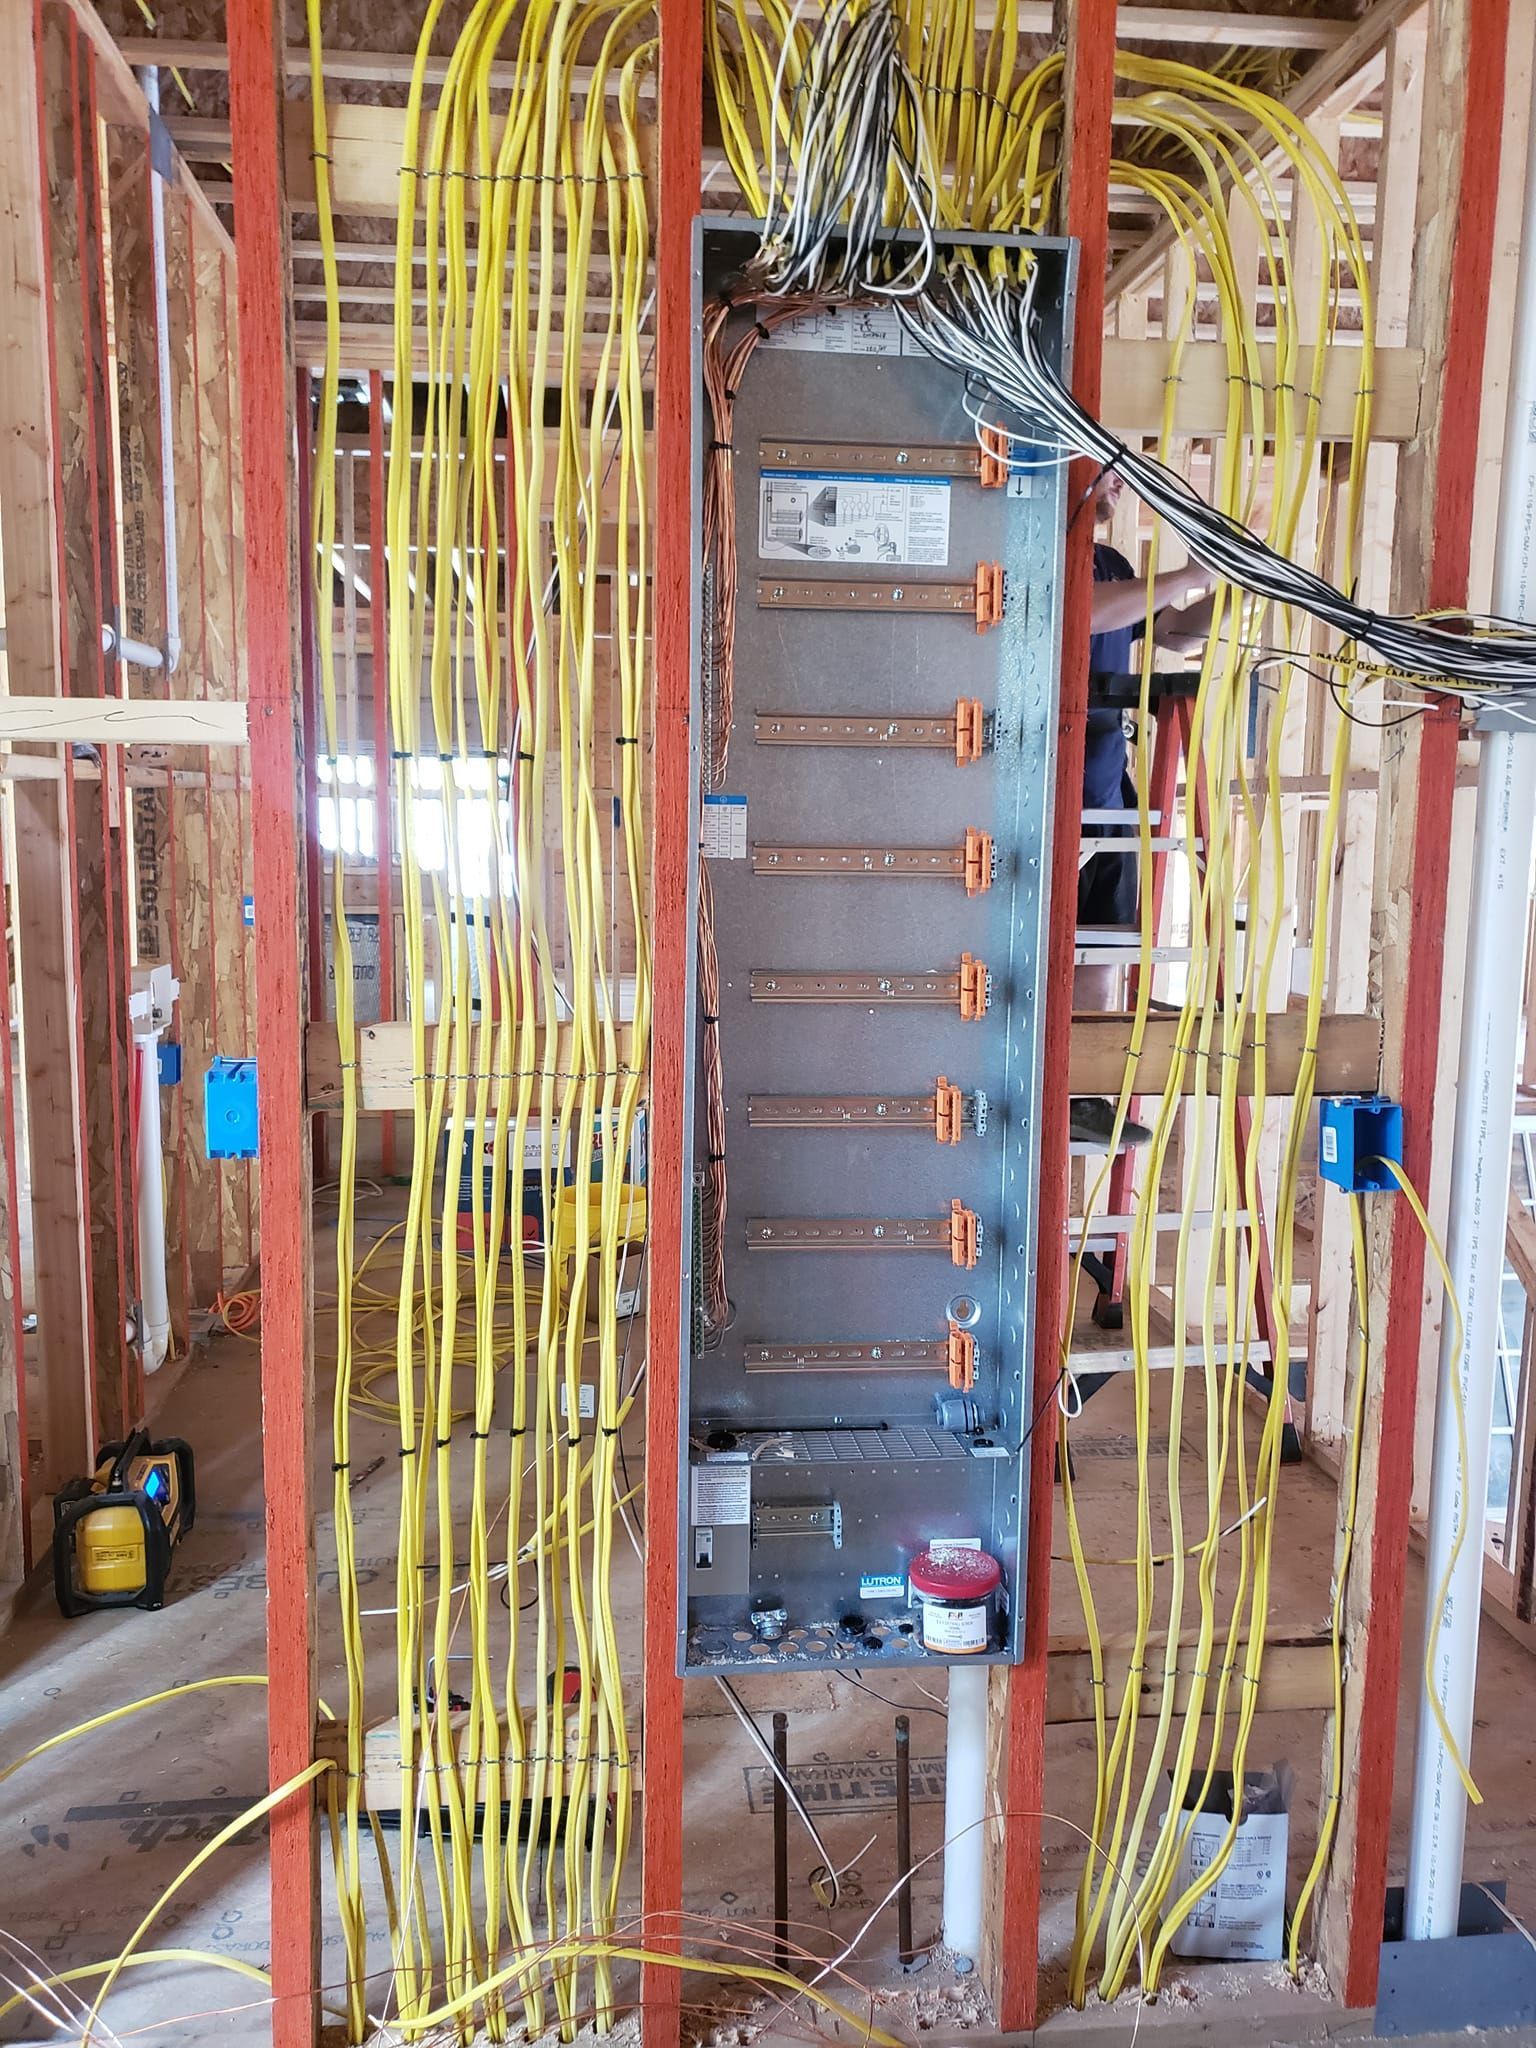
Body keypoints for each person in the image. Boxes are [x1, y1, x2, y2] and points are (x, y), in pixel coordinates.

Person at [1071, 470, 1213, 1148]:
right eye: (1109, 475)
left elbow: (1178, 636)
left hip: (1107, 799)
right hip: (1054, 800)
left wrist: (1223, 583)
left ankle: (1084, 1096)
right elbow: (1087, 610)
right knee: (1050, 951)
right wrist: (1181, 578)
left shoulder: (1113, 564)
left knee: (1102, 952)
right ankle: (1048, 1086)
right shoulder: (1052, 556)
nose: (1119, 489)